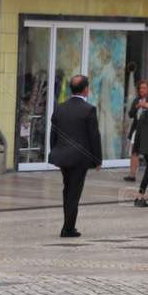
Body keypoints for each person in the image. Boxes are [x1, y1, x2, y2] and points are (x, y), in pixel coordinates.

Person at [49, 75, 103, 237]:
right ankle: (68, 228)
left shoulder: (60, 107)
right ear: (86, 89)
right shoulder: (89, 109)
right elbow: (94, 136)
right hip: (80, 159)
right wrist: (98, 159)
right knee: (74, 191)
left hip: (63, 157)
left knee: (68, 190)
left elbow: (54, 134)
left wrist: (55, 153)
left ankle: (68, 225)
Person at [123, 81, 148, 182]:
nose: (141, 90)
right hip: (136, 129)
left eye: (143, 88)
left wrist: (147, 106)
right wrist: (137, 107)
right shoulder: (136, 100)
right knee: (134, 152)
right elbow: (130, 114)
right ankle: (132, 175)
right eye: (140, 88)